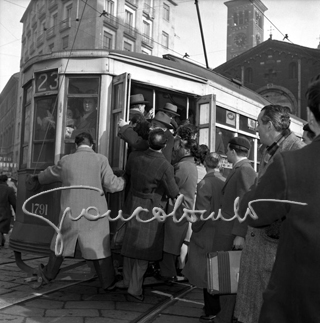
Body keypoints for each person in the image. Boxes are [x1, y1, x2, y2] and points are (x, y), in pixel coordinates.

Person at [236, 78, 320, 323]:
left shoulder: (293, 156)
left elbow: (253, 208)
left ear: (311, 118)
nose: (256, 130)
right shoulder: (272, 152)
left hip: (287, 268)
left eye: (258, 125)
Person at [35, 132, 125, 290]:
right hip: (94, 213)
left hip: (70, 211)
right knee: (99, 247)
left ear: (76, 145)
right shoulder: (100, 159)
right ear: (92, 145)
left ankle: (48, 274)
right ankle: (107, 282)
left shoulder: (66, 160)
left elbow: (47, 175)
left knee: (60, 243)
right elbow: (112, 185)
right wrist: (124, 180)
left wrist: (38, 178)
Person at [117, 129, 179, 301]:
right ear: (165, 145)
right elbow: (173, 191)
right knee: (144, 249)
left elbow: (127, 174)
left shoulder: (134, 157)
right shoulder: (165, 165)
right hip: (151, 208)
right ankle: (135, 288)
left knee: (130, 245)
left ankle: (126, 280)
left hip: (132, 203)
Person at [206, 137, 256, 323]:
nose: (225, 154)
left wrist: (240, 234)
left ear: (233, 151)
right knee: (226, 276)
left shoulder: (245, 171)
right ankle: (224, 316)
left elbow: (245, 204)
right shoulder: (240, 170)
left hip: (231, 233)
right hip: (228, 230)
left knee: (229, 277)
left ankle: (225, 317)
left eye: (227, 150)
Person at [182, 152, 225, 323]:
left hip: (206, 232)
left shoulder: (205, 183)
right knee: (217, 271)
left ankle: (211, 310)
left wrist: (194, 227)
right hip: (221, 230)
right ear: (219, 164)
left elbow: (201, 213)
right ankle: (216, 308)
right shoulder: (224, 181)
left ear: (205, 164)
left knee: (207, 273)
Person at [159, 136, 199, 281]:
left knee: (170, 244)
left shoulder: (183, 166)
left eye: (177, 146)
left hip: (176, 208)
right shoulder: (189, 165)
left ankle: (167, 274)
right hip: (182, 208)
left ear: (185, 149)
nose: (174, 150)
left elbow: (172, 186)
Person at [0, 174, 16, 247]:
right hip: (4, 212)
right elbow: (14, 203)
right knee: (1, 227)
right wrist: (17, 213)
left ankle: (2, 240)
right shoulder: (9, 190)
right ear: (6, 180)